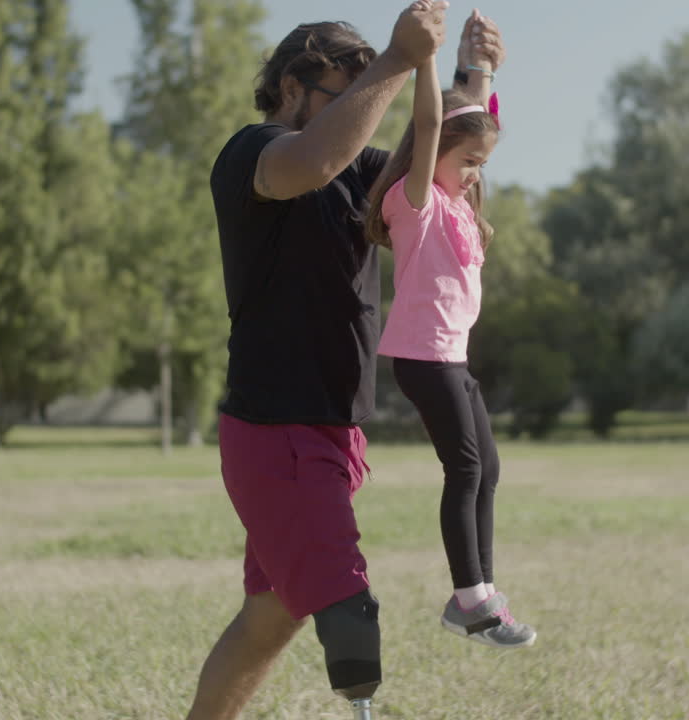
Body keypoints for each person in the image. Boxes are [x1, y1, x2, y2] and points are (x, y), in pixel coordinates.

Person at [194, 4, 507, 719]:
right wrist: (398, 60)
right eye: (349, 93)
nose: (366, 116)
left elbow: (441, 145)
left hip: (334, 432)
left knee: (270, 618)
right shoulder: (256, 156)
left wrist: (472, 71)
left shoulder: (363, 174)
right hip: (277, 434)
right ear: (292, 84)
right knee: (348, 615)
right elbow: (312, 162)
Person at [364, 18, 535, 650]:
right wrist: (427, 59)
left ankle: (481, 591)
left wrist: (481, 68)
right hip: (422, 357)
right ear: (434, 156)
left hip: (451, 359)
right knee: (463, 467)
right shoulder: (416, 202)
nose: (474, 175)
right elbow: (436, 126)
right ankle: (470, 601)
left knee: (486, 466)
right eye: (468, 164)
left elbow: (471, 123)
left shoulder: (459, 203)